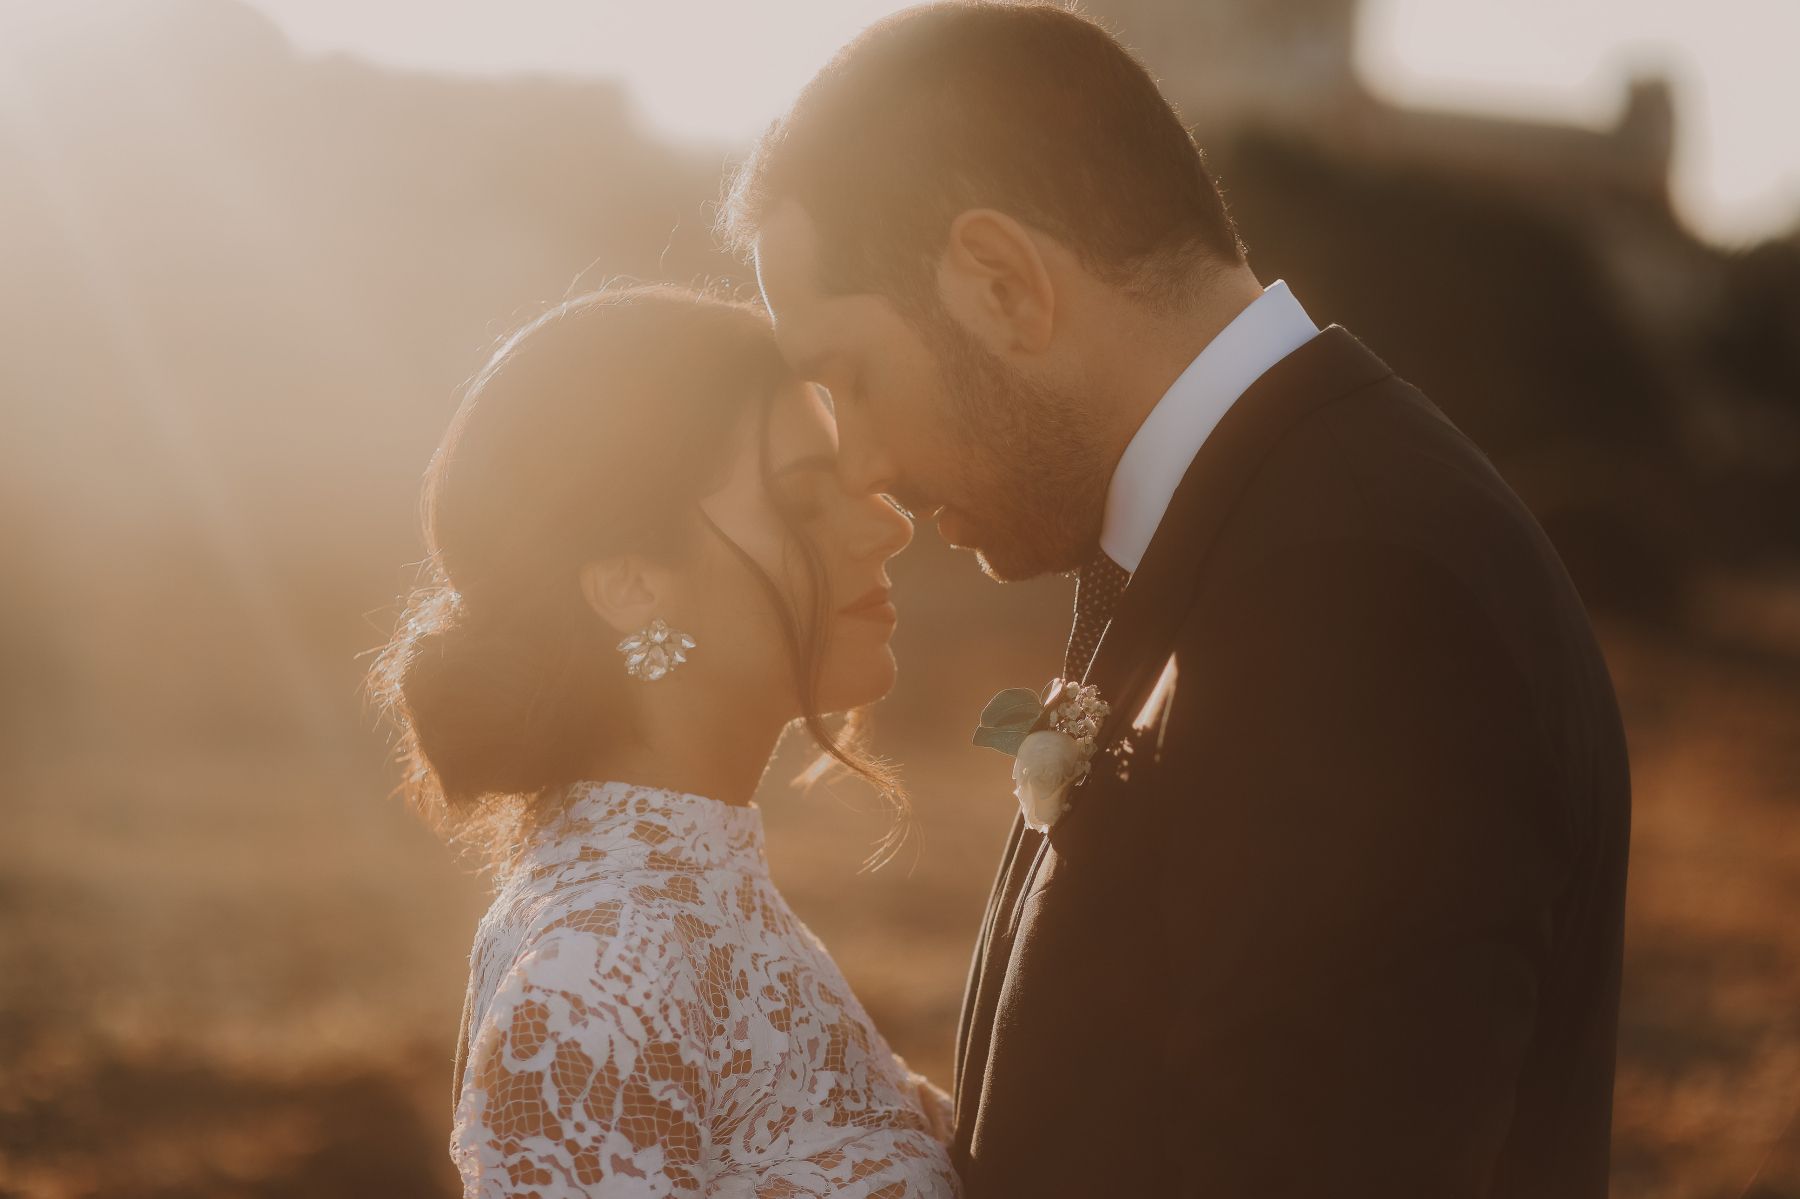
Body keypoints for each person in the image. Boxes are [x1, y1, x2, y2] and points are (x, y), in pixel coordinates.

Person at [724, 4, 1632, 1196]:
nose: (862, 465)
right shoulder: (1255, 525)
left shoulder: (1364, 599)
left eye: (852, 375)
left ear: (1003, 284)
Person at [369, 286, 959, 1197]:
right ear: (630, 584)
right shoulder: (592, 981)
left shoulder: (706, 901)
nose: (888, 524)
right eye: (806, 500)